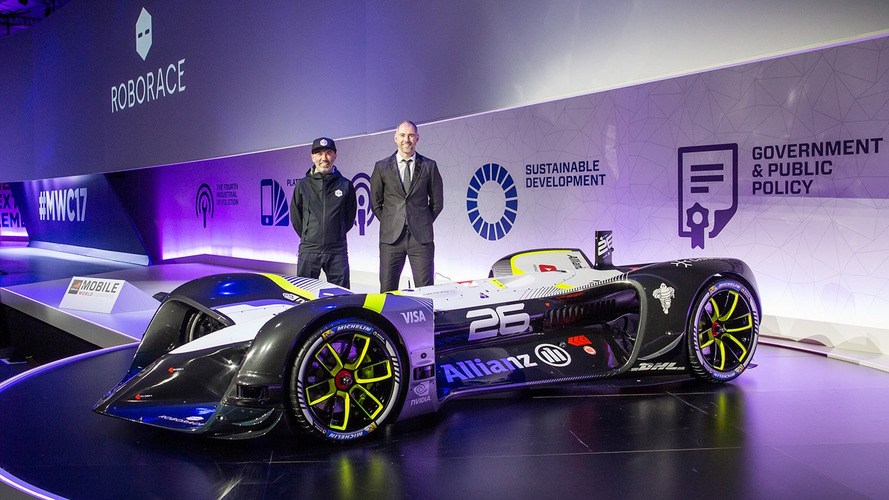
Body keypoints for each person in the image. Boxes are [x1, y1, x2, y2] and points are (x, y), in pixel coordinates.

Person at [370, 120, 444, 292]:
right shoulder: (381, 167)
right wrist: (391, 221)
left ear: (417, 138)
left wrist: (422, 221)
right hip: (391, 240)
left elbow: (437, 203)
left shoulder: (429, 166)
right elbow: (376, 203)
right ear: (395, 138)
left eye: (411, 135)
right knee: (387, 290)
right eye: (402, 135)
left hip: (421, 239)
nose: (407, 139)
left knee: (426, 291)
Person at [290, 137, 357, 288]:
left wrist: (337, 232)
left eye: (328, 153)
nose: (324, 158)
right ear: (312, 157)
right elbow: (296, 217)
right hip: (309, 250)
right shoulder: (302, 185)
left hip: (337, 250)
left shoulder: (345, 185)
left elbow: (349, 217)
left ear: (335, 156)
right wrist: (309, 235)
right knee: (304, 296)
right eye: (319, 154)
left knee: (341, 297)